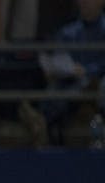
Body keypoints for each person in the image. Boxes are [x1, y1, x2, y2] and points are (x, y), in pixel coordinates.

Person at [35, 0, 105, 145]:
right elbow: (58, 60)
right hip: (70, 82)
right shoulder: (67, 32)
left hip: (96, 82)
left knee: (97, 86)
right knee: (54, 90)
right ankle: (42, 126)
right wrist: (58, 69)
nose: (85, 3)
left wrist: (88, 70)